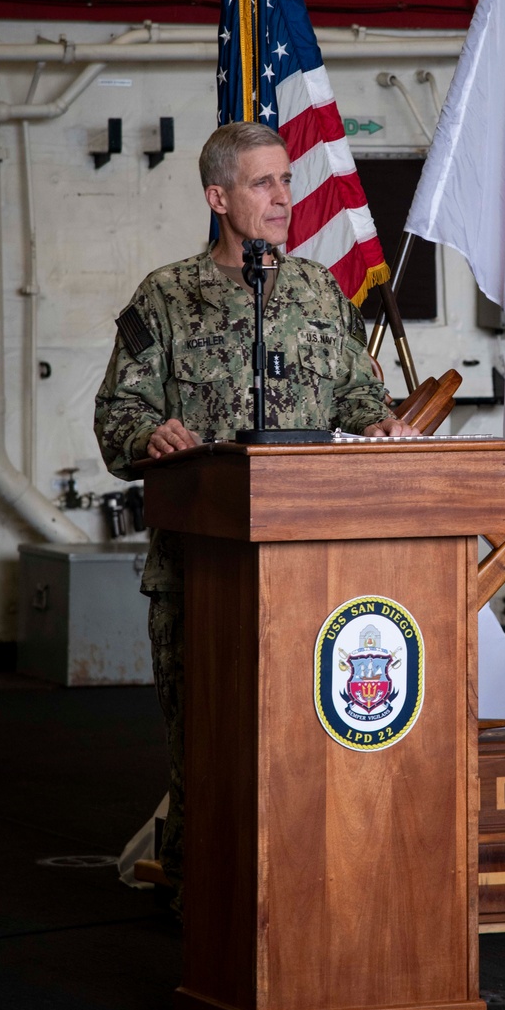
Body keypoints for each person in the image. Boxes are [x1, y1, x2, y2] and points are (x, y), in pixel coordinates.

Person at [94, 121, 417, 911]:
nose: (284, 197)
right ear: (219, 197)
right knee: (206, 748)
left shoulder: (317, 292)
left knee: (307, 745)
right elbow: (117, 414)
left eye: (286, 180)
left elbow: (358, 399)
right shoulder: (166, 297)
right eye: (264, 183)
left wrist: (381, 427)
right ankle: (203, 906)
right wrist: (150, 433)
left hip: (317, 574)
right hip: (201, 570)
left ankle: (307, 903)